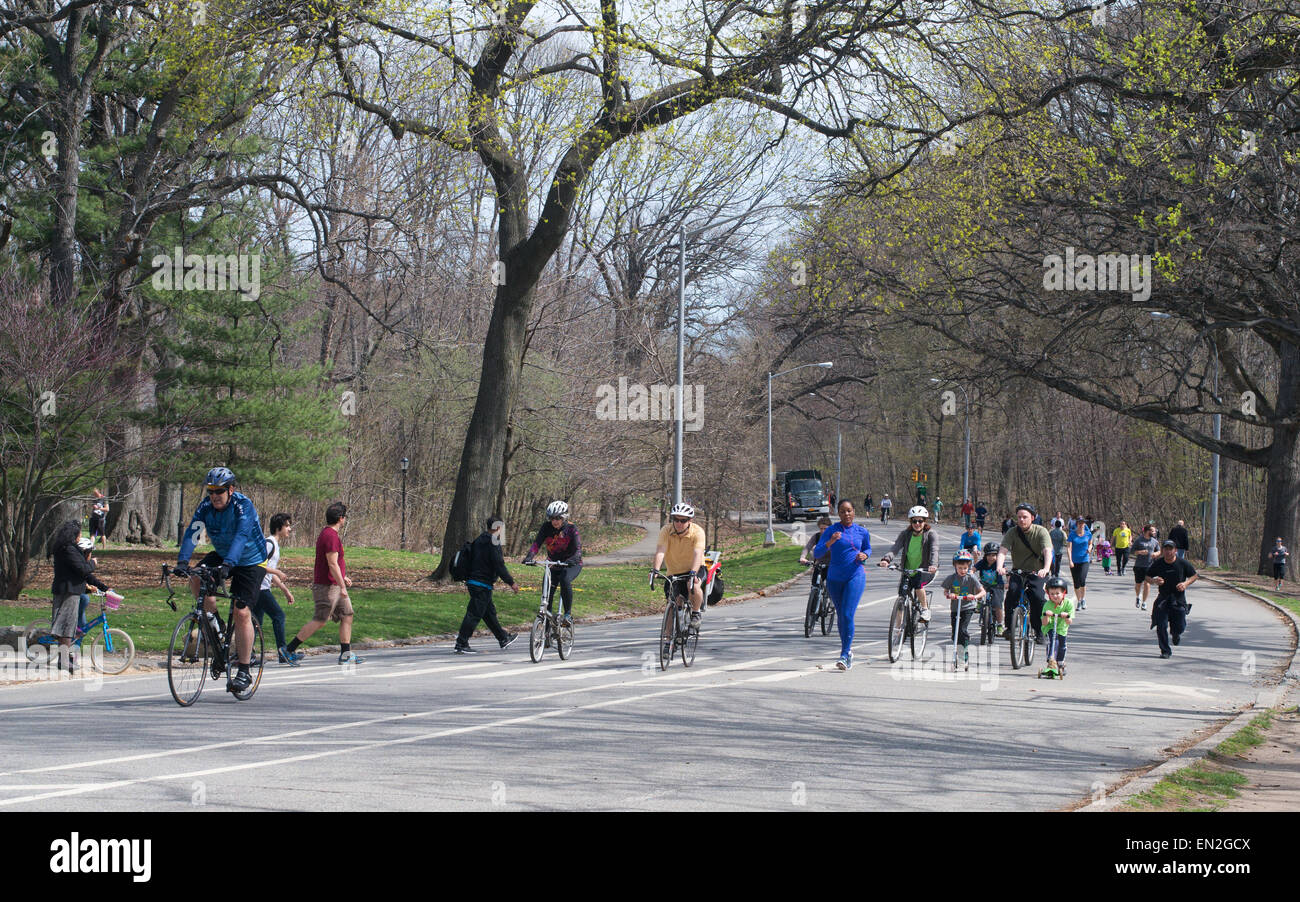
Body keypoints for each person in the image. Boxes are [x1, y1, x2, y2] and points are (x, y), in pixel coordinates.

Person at [177, 467, 268, 691]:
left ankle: (244, 669)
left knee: (241, 611)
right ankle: (216, 625)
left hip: (250, 559)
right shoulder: (205, 507)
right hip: (224, 553)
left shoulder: (243, 506)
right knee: (196, 578)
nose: (214, 495)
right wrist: (182, 562)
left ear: (230, 489)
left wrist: (229, 564)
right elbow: (193, 533)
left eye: (219, 491)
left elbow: (241, 536)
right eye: (211, 491)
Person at [283, 501, 367, 665]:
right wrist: (342, 586)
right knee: (320, 620)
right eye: (344, 517)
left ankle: (345, 654)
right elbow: (332, 563)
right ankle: (288, 650)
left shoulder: (330, 534)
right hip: (327, 587)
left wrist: (343, 577)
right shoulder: (329, 536)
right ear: (341, 518)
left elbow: (335, 564)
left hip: (335, 584)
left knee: (347, 615)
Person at [815, 499, 872, 670]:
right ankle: (846, 651)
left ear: (854, 511)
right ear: (838, 514)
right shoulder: (831, 531)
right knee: (841, 615)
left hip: (855, 575)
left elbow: (868, 548)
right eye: (842, 511)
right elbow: (817, 552)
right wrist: (830, 542)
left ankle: (845, 654)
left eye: (849, 510)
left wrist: (865, 555)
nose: (846, 514)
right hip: (834, 578)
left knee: (847, 614)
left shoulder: (862, 532)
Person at [46, 521, 109, 673]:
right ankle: (65, 660)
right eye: (79, 533)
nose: (80, 536)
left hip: (69, 590)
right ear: (73, 534)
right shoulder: (68, 550)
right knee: (67, 626)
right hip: (69, 591)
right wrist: (93, 564)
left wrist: (103, 587)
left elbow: (84, 574)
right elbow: (83, 569)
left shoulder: (67, 549)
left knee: (67, 627)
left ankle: (64, 659)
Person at [452, 517, 521, 653]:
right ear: (497, 528)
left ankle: (503, 638)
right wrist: (511, 582)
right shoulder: (494, 542)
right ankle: (461, 643)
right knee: (473, 614)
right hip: (481, 583)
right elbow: (499, 565)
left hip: (474, 581)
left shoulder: (479, 539)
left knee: (489, 613)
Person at [996, 503, 1053, 644]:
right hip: (1018, 571)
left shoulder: (1041, 531)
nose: (1021, 520)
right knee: (1011, 595)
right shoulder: (1012, 532)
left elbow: (1047, 551)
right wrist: (1000, 566)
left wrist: (1045, 568)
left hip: (1037, 572)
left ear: (1032, 518)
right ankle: (1009, 627)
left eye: (1025, 517)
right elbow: (1003, 551)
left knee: (1038, 598)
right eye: (1019, 517)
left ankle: (1039, 631)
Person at [877, 505, 939, 627]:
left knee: (918, 585)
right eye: (914, 521)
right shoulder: (906, 534)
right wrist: (886, 559)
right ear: (911, 522)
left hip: (925, 570)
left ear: (924, 521)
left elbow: (934, 550)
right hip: (907, 570)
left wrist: (933, 565)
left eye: (920, 520)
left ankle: (925, 610)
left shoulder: (931, 534)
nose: (917, 523)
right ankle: (898, 629)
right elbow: (895, 548)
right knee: (902, 596)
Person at [253, 513, 301, 666]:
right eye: (287, 525)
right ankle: (283, 652)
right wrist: (277, 572)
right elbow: (259, 566)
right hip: (259, 588)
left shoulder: (275, 544)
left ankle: (246, 655)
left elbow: (270, 573)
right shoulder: (269, 543)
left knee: (256, 623)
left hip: (262, 587)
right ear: (278, 527)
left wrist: (285, 590)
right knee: (278, 616)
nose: (289, 529)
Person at [523, 501, 583, 623]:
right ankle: (546, 628)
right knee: (547, 589)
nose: (554, 521)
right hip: (553, 564)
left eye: (558, 518)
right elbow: (537, 543)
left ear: (564, 517)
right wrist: (529, 556)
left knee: (564, 579)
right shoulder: (546, 527)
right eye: (552, 518)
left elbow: (578, 550)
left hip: (571, 564)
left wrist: (572, 560)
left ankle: (567, 615)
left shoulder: (571, 528)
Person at [652, 502, 707, 626]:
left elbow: (698, 553)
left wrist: (693, 573)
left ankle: (696, 613)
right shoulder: (666, 530)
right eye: (676, 520)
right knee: (672, 605)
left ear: (689, 520)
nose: (679, 523)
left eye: (683, 520)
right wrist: (655, 570)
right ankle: (668, 641)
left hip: (695, 567)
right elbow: (661, 551)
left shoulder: (697, 532)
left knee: (693, 585)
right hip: (674, 571)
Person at [1144, 540, 1199, 658]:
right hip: (1163, 599)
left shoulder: (1182, 563)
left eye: (1170, 549)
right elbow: (1147, 577)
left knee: (1179, 626)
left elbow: (1194, 576)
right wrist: (1154, 581)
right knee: (1161, 625)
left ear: (1175, 550)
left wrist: (1185, 583)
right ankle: (1165, 651)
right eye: (1166, 549)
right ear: (1163, 550)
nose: (1168, 551)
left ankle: (1175, 634)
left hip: (1178, 599)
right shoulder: (1158, 563)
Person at [942, 549, 986, 671]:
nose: (962, 570)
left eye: (965, 568)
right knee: (955, 633)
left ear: (969, 567)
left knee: (962, 630)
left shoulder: (971, 578)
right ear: (955, 566)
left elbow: (983, 591)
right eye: (960, 568)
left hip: (968, 607)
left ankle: (963, 657)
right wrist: (948, 594)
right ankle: (959, 654)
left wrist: (974, 596)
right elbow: (945, 590)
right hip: (955, 608)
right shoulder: (951, 578)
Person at [1039, 576, 1075, 678]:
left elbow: (1069, 621)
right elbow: (1044, 623)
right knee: (1052, 641)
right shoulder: (1047, 605)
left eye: (1057, 593)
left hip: (1062, 627)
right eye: (1052, 594)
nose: (1055, 596)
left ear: (1063, 593)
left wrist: (1066, 616)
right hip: (1050, 626)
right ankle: (1051, 660)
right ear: (1048, 594)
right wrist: (1046, 615)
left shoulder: (1068, 604)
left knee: (1062, 645)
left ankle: (1060, 662)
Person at [975, 541, 1005, 636]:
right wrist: (970, 572)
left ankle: (1000, 624)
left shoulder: (998, 563)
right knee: (976, 585)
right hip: (985, 585)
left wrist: (1007, 580)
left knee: (997, 606)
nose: (991, 558)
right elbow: (973, 569)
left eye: (993, 555)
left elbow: (1005, 571)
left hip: (997, 586)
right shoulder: (982, 563)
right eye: (989, 555)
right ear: (985, 555)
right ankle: (979, 602)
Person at [1131, 523, 1160, 610]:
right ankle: (1138, 596)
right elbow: (1132, 551)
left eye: (1155, 531)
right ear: (1147, 531)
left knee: (1147, 584)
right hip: (1139, 565)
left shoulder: (1155, 541)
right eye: (1153, 531)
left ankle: (1144, 602)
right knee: (1138, 585)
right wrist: (1140, 552)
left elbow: (1159, 551)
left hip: (1150, 566)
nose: (1154, 532)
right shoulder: (1139, 540)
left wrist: (1156, 554)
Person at [1067, 519, 1093, 611]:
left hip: (1084, 560)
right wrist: (1070, 560)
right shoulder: (1072, 534)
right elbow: (1069, 548)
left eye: (1083, 523)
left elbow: (1090, 544)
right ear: (1077, 524)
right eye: (1079, 523)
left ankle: (1083, 599)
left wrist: (1090, 548)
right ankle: (1079, 601)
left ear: (1084, 524)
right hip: (1074, 561)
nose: (1081, 525)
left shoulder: (1088, 534)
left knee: (1082, 579)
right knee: (1076, 582)